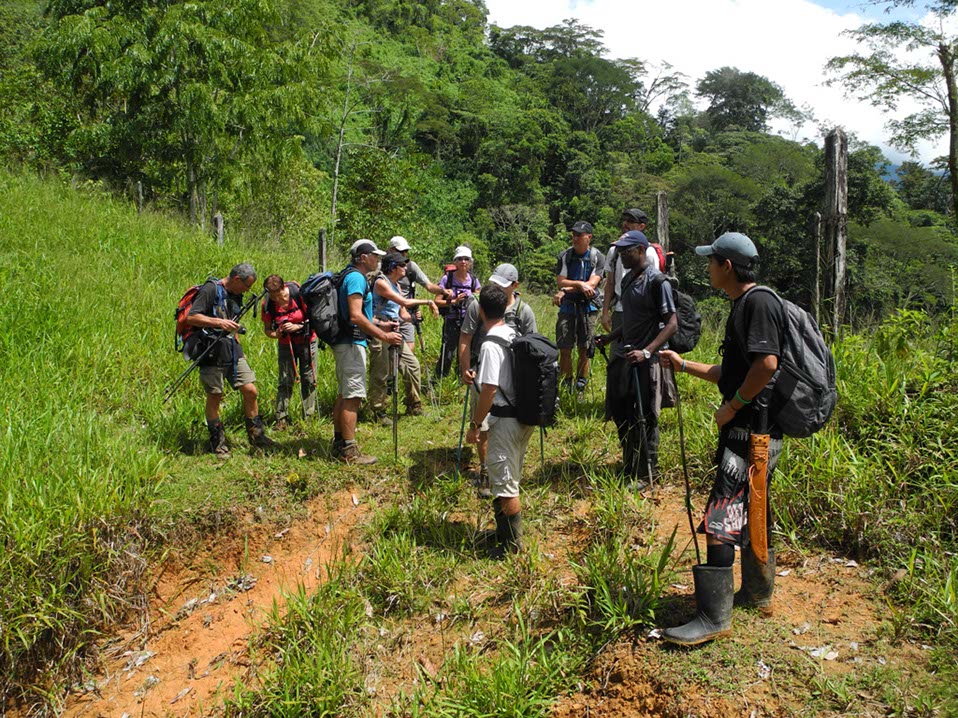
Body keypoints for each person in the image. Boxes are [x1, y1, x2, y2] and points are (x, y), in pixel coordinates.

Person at [658, 232, 784, 645]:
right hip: (751, 429)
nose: (707, 267)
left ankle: (714, 618)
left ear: (726, 266)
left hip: (751, 432)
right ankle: (756, 592)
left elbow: (766, 365)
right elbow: (732, 373)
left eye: (711, 261)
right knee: (748, 510)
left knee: (722, 516)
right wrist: (684, 364)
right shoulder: (744, 306)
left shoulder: (757, 304)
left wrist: (732, 407)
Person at [596, 231, 676, 490]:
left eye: (626, 251)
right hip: (625, 356)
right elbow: (630, 321)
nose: (621, 255)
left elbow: (672, 324)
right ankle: (629, 463)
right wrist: (610, 338)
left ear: (641, 251)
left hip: (646, 361)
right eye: (619, 251)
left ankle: (646, 473)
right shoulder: (629, 279)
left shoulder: (657, 281)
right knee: (622, 411)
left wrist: (648, 351)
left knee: (646, 416)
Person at [465, 284, 535, 559]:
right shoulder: (513, 333)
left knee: (506, 485)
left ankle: (511, 546)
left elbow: (490, 388)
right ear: (506, 308)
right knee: (509, 478)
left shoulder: (491, 343)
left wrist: (475, 425)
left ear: (481, 311)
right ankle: (503, 534)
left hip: (504, 420)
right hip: (522, 416)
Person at [458, 264, 537, 497]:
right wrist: (465, 368)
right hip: (481, 374)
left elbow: (533, 347)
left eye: (502, 285)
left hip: (512, 382)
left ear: (515, 286)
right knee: (482, 423)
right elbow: (466, 337)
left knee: (503, 425)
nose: (497, 289)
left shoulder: (524, 311)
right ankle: (486, 470)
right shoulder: (479, 304)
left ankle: (507, 476)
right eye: (494, 284)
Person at [185, 263, 273, 457]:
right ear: (236, 279)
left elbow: (232, 321)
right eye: (246, 286)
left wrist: (238, 344)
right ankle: (218, 443)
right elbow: (191, 317)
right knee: (215, 395)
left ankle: (257, 436)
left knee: (250, 390)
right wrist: (218, 322)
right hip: (210, 350)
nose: (247, 290)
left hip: (232, 349)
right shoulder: (210, 289)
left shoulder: (236, 295)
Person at [332, 240, 403, 464]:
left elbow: (361, 314)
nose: (378, 260)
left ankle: (339, 442)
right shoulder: (356, 278)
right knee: (352, 396)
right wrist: (384, 336)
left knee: (345, 393)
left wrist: (381, 325)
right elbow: (355, 316)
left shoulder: (350, 276)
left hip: (348, 341)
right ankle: (349, 452)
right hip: (352, 343)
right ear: (363, 257)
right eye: (375, 256)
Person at [368, 251, 438, 421]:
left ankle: (413, 404)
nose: (405, 268)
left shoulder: (397, 285)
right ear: (392, 267)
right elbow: (404, 302)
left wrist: (413, 318)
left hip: (395, 329)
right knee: (381, 372)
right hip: (379, 330)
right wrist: (429, 301)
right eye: (402, 265)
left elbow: (403, 313)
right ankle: (378, 411)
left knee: (412, 365)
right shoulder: (381, 283)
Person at [552, 221, 605, 394]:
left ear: (588, 238)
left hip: (588, 307)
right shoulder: (565, 256)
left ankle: (580, 387)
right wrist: (578, 285)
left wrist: (565, 290)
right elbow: (561, 280)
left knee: (585, 347)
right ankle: (566, 385)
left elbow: (592, 284)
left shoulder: (597, 257)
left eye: (579, 235)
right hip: (567, 306)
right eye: (573, 235)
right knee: (564, 347)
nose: (575, 238)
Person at [261, 274, 318, 431]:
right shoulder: (267, 304)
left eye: (278, 295)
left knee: (308, 379)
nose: (276, 299)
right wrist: (277, 334)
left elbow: (314, 319)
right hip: (286, 344)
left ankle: (309, 417)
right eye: (272, 296)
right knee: (285, 380)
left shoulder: (298, 294)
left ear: (283, 288)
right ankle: (281, 418)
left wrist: (298, 326)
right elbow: (267, 330)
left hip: (307, 341)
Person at [387, 235, 451, 360]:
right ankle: (390, 378)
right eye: (400, 251)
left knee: (409, 353)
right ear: (390, 250)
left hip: (407, 314)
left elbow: (428, 286)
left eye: (406, 251)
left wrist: (443, 291)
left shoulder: (410, 267)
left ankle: (405, 378)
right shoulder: (381, 268)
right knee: (387, 353)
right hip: (387, 313)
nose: (404, 254)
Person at [601, 208, 662, 337]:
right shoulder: (614, 251)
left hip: (642, 313)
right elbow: (610, 284)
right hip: (620, 310)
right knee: (617, 354)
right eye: (624, 220)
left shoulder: (649, 252)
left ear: (642, 226)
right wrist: (605, 312)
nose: (625, 224)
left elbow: (655, 284)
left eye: (631, 221)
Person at [433, 245, 480, 380]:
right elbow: (436, 301)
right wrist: (454, 302)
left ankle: (461, 379)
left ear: (470, 262)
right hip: (451, 320)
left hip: (468, 321)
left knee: (465, 351)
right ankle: (440, 379)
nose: (463, 262)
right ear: (455, 262)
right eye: (460, 259)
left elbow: (478, 300)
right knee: (448, 352)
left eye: (466, 259)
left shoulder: (474, 281)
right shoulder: (447, 279)